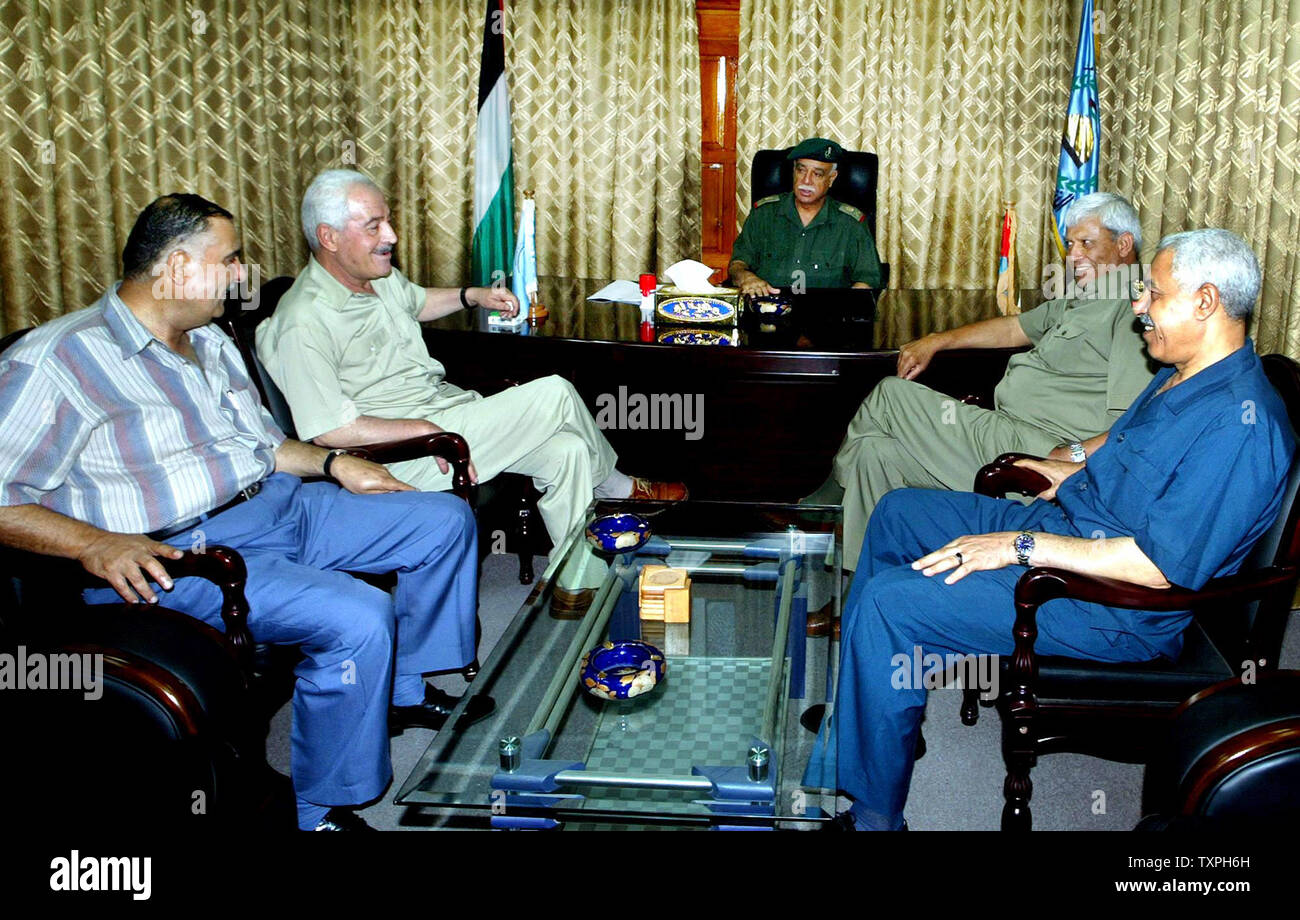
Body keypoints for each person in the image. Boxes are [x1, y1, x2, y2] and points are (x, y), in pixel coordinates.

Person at [0, 194, 488, 832]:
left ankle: (402, 694)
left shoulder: (210, 340)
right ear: (177, 267)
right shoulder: (58, 360)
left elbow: (264, 445)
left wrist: (334, 464)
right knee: (358, 615)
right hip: (186, 557)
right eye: (228, 260)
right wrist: (95, 543)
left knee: (441, 520)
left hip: (281, 507)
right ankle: (321, 810)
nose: (240, 274)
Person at [829, 228, 1295, 830]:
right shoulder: (1185, 371)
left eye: (1152, 293)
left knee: (889, 605)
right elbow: (1123, 438)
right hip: (1071, 521)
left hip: (1111, 605)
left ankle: (873, 818)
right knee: (898, 512)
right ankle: (886, 722)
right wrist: (1065, 460)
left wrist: (1018, 546)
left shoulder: (1239, 426)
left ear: (1205, 302)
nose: (1137, 305)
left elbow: (1156, 568)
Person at [255, 170, 686, 607]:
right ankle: (616, 485)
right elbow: (329, 431)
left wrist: (473, 295)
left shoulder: (375, 277)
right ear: (328, 237)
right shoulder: (303, 320)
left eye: (388, 220)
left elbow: (419, 301)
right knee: (555, 391)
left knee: (569, 451)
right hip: (403, 455)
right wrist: (418, 430)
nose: (392, 235)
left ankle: (577, 585)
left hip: (447, 415)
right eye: (374, 226)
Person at [826, 191, 1156, 572]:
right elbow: (1015, 327)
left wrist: (1076, 457)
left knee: (890, 396)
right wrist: (937, 340)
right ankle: (865, 586)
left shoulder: (1132, 308)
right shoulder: (1086, 296)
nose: (1074, 254)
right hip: (1006, 430)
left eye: (1086, 243)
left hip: (1039, 451)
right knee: (874, 455)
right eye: (1069, 244)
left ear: (1124, 244)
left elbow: (1135, 417)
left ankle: (823, 503)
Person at [728, 137, 883, 295]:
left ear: (831, 178)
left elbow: (868, 279)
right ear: (794, 171)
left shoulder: (851, 224)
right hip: (769, 310)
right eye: (801, 170)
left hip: (828, 316)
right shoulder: (763, 214)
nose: (806, 180)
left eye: (817, 174)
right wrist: (745, 277)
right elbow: (737, 264)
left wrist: (848, 308)